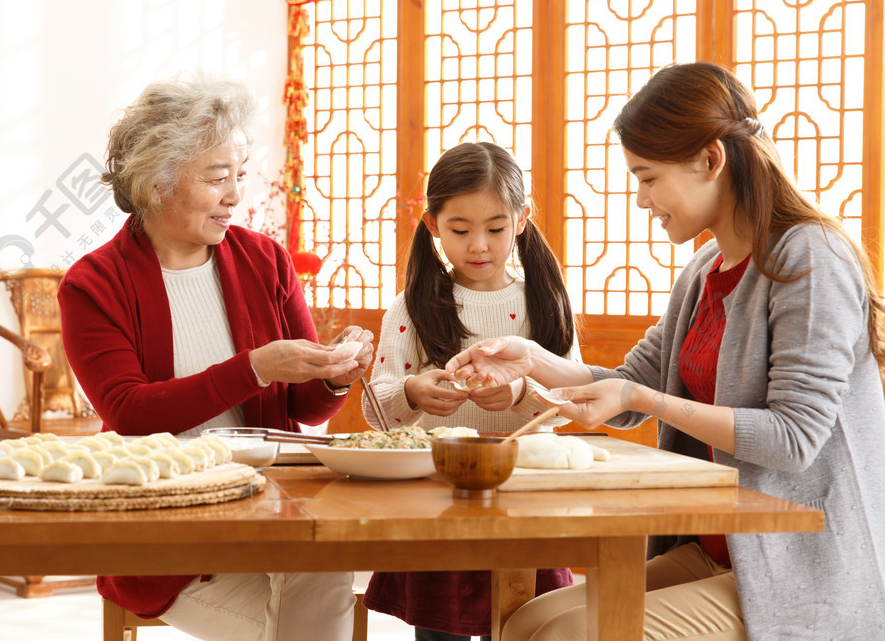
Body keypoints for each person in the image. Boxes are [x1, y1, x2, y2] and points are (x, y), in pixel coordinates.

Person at [445, 62, 885, 641]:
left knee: (565, 635)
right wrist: (531, 359)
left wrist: (641, 396)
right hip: (721, 551)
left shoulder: (810, 258)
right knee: (530, 619)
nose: (640, 198)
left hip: (805, 564)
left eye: (648, 177)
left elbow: (793, 439)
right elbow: (628, 389)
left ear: (710, 159)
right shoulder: (704, 269)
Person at [57, 70, 374, 641]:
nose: (235, 195)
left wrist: (334, 375)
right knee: (311, 609)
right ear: (157, 184)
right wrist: (253, 368)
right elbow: (129, 410)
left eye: (241, 176)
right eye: (217, 177)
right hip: (168, 534)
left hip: (269, 509)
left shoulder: (265, 260)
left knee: (324, 566)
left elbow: (305, 405)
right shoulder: (94, 284)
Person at [360, 141, 579, 640]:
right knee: (441, 630)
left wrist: (523, 390)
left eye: (496, 228)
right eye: (460, 230)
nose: (479, 245)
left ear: (522, 220)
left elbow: (573, 399)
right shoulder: (412, 306)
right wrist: (413, 392)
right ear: (433, 223)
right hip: (439, 499)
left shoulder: (543, 298)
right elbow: (378, 412)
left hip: (523, 499)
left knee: (529, 625)